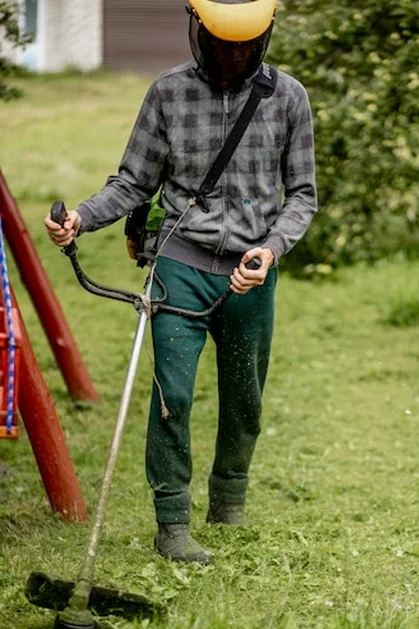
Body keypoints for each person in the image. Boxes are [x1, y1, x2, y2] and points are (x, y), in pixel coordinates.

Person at [44, 0, 317, 565]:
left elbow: (303, 196)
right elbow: (133, 182)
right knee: (173, 395)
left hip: (250, 272)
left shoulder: (288, 97)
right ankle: (172, 522)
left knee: (245, 396)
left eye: (244, 44)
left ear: (263, 38)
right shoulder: (167, 92)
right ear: (198, 30)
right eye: (221, 41)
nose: (232, 53)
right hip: (180, 265)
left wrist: (268, 251)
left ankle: (229, 501)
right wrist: (83, 219)